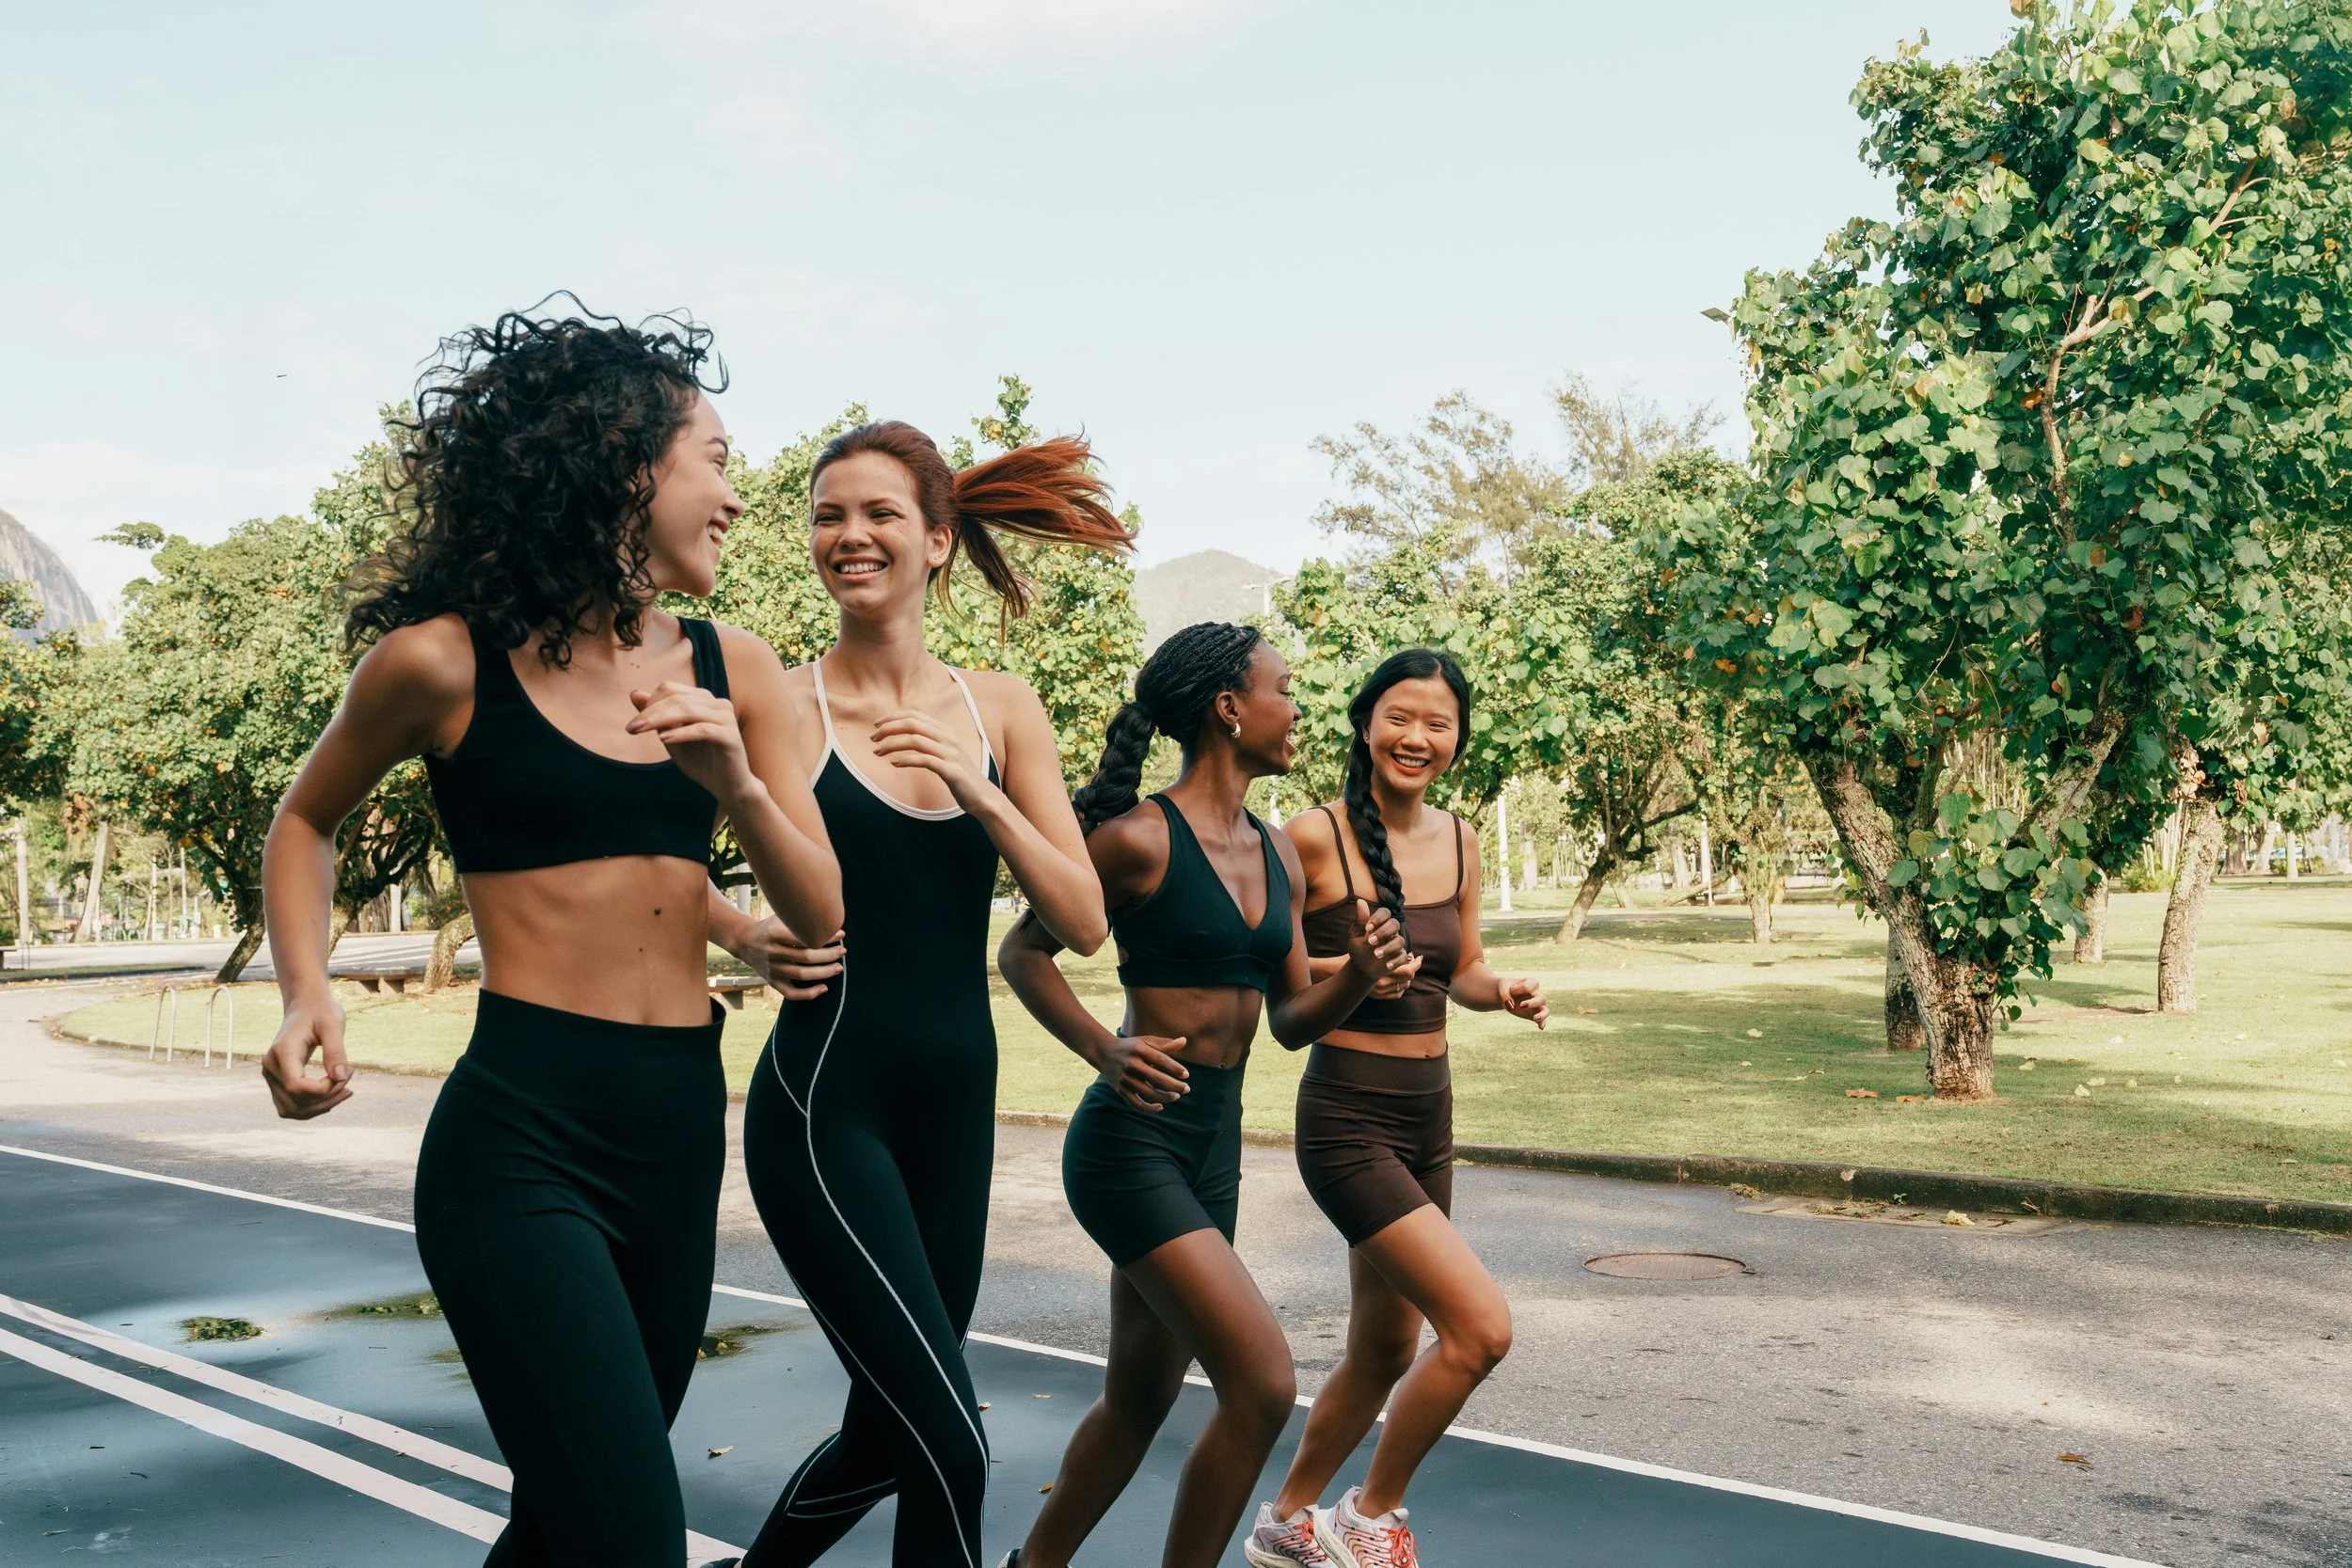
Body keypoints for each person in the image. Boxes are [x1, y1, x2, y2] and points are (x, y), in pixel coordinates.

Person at [259, 301, 843, 1567]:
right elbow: (304, 817)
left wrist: (737, 784)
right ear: (627, 465)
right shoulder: (442, 662)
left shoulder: (736, 668)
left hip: (679, 1132)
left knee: (574, 1524)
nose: (738, 496)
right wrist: (308, 989)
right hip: (522, 1138)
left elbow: (825, 907)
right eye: (718, 458)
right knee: (633, 1532)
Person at [735, 420, 1129, 1568]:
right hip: (823, 1107)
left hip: (954, 1108)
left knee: (893, 1431)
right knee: (951, 1441)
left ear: (938, 541)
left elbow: (1086, 922)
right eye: (826, 515)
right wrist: (739, 928)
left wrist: (982, 790)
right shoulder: (778, 699)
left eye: (877, 514)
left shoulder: (999, 706)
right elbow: (639, 855)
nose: (848, 536)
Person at [996, 621, 1412, 1568]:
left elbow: (1293, 1015)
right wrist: (1104, 1047)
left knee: (1139, 1397)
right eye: (1282, 686)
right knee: (1262, 1384)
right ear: (1230, 706)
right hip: (1128, 1148)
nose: (1295, 706)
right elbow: (1022, 951)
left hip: (1210, 1152)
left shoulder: (1279, 850)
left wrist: (1363, 974)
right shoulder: (1138, 838)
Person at [1245, 647, 1549, 1568]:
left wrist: (1503, 991)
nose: (1417, 736)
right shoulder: (1307, 836)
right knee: (1480, 1328)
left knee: (1384, 1347)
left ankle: (1290, 1520)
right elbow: (1280, 993)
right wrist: (1357, 970)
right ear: (1365, 723)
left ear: (1457, 737)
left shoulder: (1459, 837)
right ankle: (1370, 1515)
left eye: (1438, 722)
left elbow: (1460, 968)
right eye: (1400, 716)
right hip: (1347, 1119)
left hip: (1430, 1114)